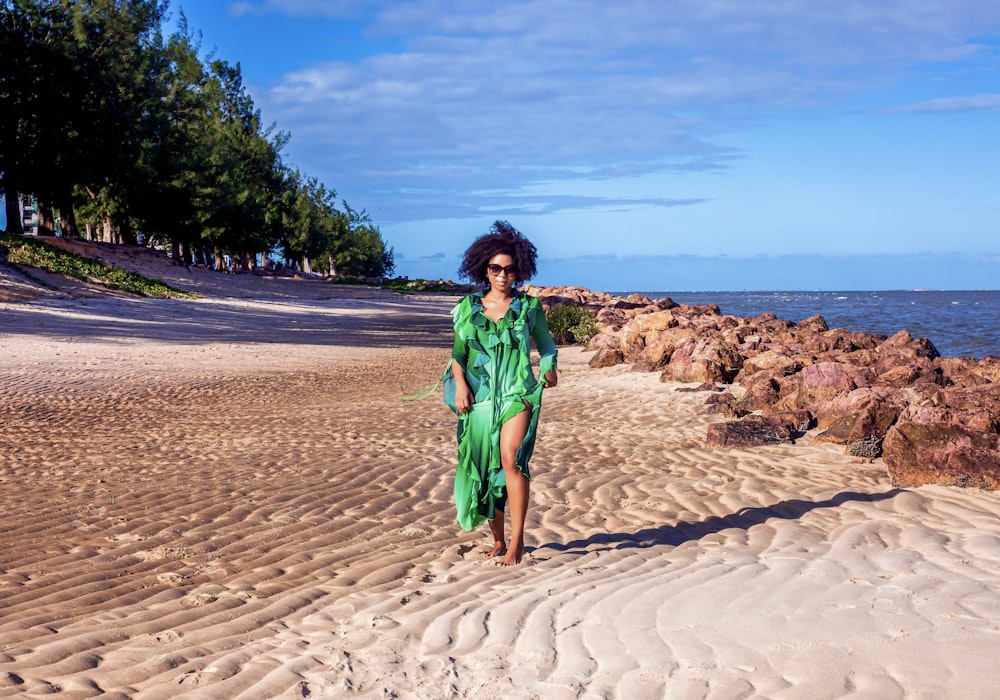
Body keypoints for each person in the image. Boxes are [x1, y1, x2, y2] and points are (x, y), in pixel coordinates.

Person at [449, 221, 558, 566]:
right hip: (480, 399)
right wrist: (462, 386)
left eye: (510, 269)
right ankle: (498, 540)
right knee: (485, 469)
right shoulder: (468, 309)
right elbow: (457, 356)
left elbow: (547, 345)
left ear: (519, 272)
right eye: (495, 268)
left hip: (517, 394)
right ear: (484, 268)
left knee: (511, 458)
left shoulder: (528, 308)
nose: (502, 275)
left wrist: (548, 367)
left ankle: (518, 542)